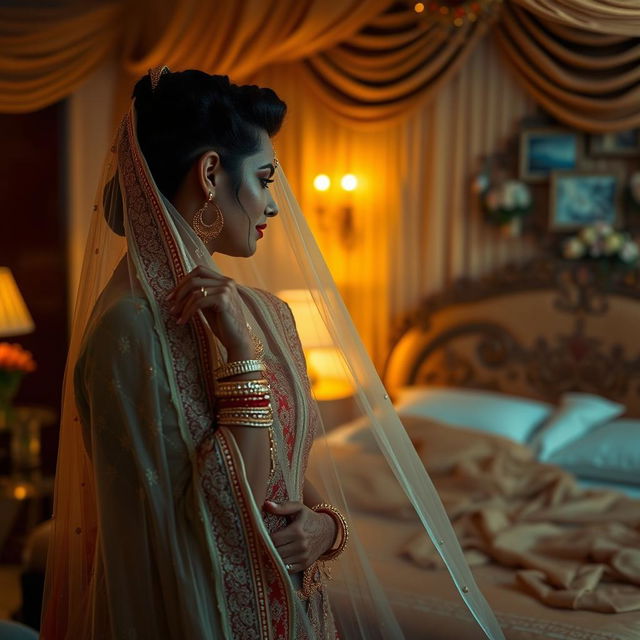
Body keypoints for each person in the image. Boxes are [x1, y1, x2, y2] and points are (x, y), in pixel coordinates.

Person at [41, 67, 506, 639]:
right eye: (264, 179)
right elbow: (211, 521)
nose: (274, 205)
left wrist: (326, 528)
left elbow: (290, 472)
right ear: (210, 173)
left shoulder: (267, 313)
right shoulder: (129, 329)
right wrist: (240, 355)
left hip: (294, 611)